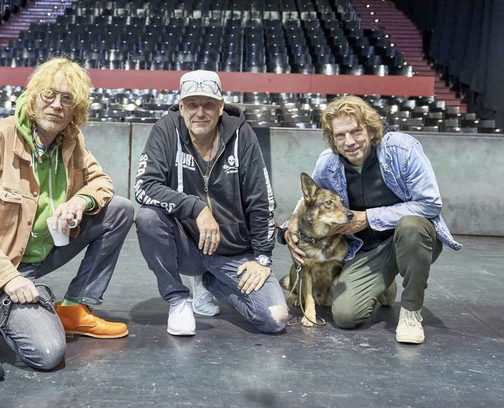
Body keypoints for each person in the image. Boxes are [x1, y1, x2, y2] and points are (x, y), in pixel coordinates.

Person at [0, 56, 133, 371]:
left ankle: (72, 308)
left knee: (119, 210)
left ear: (76, 109)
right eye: (49, 94)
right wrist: (7, 278)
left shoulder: (71, 141)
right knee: (47, 353)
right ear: (32, 96)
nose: (56, 104)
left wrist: (80, 202)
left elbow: (101, 182)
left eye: (67, 98)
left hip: (43, 252)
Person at [282, 95, 462, 344]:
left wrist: (369, 218)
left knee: (411, 225)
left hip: (412, 240)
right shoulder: (328, 163)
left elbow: (430, 203)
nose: (349, 142)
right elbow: (306, 204)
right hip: (366, 251)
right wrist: (289, 231)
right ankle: (385, 282)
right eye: (340, 136)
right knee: (345, 316)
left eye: (356, 131)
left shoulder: (402, 149)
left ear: (371, 128)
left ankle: (411, 312)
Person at [134, 70, 288, 336]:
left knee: (274, 319)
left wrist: (262, 257)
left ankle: (211, 282)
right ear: (181, 107)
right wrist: (198, 208)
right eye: (192, 105)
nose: (200, 113)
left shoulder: (242, 135)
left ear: (220, 106)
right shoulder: (166, 130)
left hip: (233, 252)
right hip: (188, 245)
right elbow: (144, 186)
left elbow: (261, 199)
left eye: (208, 104)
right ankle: (178, 299)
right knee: (148, 217)